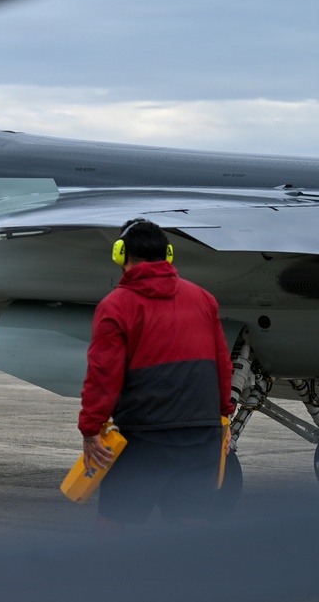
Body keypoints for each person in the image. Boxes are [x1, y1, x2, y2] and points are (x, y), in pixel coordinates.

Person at [78, 218, 234, 530]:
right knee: (190, 530)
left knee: (114, 528)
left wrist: (90, 428)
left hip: (145, 436)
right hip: (200, 435)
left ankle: (102, 580)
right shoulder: (203, 299)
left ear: (120, 255)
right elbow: (222, 364)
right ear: (169, 255)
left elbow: (103, 374)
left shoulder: (116, 305)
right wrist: (223, 419)